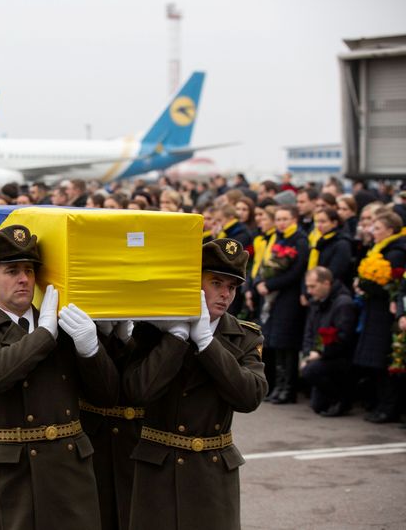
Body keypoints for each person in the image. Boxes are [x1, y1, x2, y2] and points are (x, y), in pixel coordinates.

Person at [0, 225, 120, 530]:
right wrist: (44, 334)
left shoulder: (62, 325)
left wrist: (91, 348)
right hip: (17, 473)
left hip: (71, 469)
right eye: (12, 271)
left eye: (29, 270)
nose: (24, 279)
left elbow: (106, 395)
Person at [122, 238, 267, 530]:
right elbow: (138, 391)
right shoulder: (154, 330)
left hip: (211, 469)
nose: (225, 294)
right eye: (216, 283)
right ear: (194, 281)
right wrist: (175, 339)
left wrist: (207, 343)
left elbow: (249, 397)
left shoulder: (246, 337)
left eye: (232, 287)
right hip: (158, 467)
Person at [353, 211, 406, 423]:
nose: (372, 232)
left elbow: (390, 286)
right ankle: (380, 404)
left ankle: (388, 407)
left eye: (377, 228)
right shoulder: (379, 249)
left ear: (390, 230)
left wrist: (365, 285)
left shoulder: (396, 252)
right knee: (377, 362)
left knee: (385, 362)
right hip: (374, 311)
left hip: (385, 314)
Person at [255, 205, 309, 403]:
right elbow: (265, 264)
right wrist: (259, 282)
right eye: (278, 219)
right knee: (276, 342)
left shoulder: (300, 240)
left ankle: (289, 389)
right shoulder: (277, 238)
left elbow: (296, 272)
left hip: (289, 296)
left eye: (285, 219)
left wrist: (269, 284)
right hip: (275, 296)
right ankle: (278, 386)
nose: (281, 223)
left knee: (287, 343)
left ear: (294, 219)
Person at [300, 267, 356, 416]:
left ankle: (342, 399)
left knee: (310, 371)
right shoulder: (317, 302)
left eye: (313, 286)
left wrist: (319, 353)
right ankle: (331, 399)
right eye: (307, 286)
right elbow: (309, 332)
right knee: (317, 406)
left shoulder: (343, 303)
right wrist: (307, 354)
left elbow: (344, 339)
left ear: (326, 283)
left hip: (338, 358)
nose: (309, 291)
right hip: (321, 355)